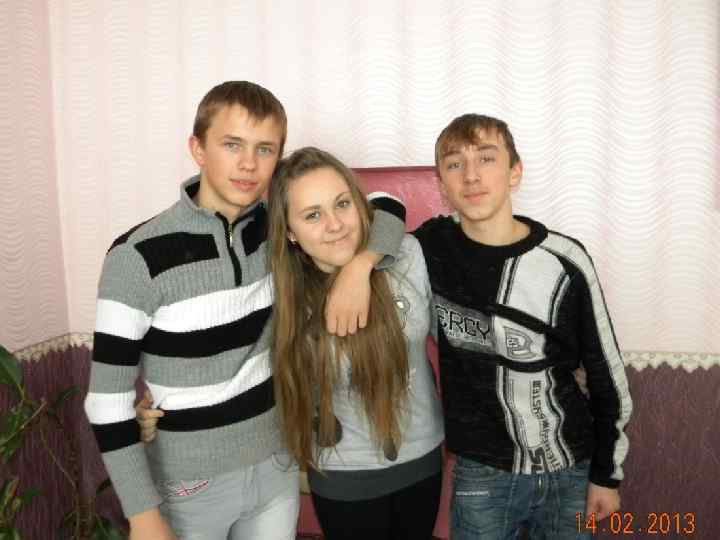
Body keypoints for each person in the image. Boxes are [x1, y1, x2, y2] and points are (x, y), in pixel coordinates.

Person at [84, 81, 405, 540]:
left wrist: (360, 266)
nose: (249, 164)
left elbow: (386, 205)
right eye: (232, 145)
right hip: (188, 484)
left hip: (276, 469)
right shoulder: (135, 257)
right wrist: (142, 515)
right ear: (198, 148)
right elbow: (106, 400)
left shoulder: (281, 230)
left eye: (265, 149)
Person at [412, 113, 633, 539]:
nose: (471, 176)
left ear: (515, 172)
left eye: (487, 159)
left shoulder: (565, 261)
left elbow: (607, 375)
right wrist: (359, 267)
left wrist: (607, 474)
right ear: (441, 184)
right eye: (455, 164)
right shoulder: (430, 247)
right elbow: (377, 217)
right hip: (481, 476)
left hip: (570, 469)